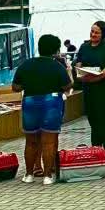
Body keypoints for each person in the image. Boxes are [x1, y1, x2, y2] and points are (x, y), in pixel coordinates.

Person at [12, 34, 73, 184]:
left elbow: (15, 87)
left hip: (30, 102)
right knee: (49, 141)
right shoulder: (57, 66)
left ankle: (28, 175)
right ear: (56, 50)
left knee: (31, 141)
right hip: (51, 102)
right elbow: (67, 86)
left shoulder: (26, 64)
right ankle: (47, 176)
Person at [74, 21, 105, 152]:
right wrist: (80, 73)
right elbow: (79, 65)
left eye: (97, 32)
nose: (93, 34)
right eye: (92, 31)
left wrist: (98, 77)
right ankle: (97, 151)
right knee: (93, 122)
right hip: (89, 89)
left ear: (103, 34)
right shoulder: (84, 47)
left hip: (104, 89)